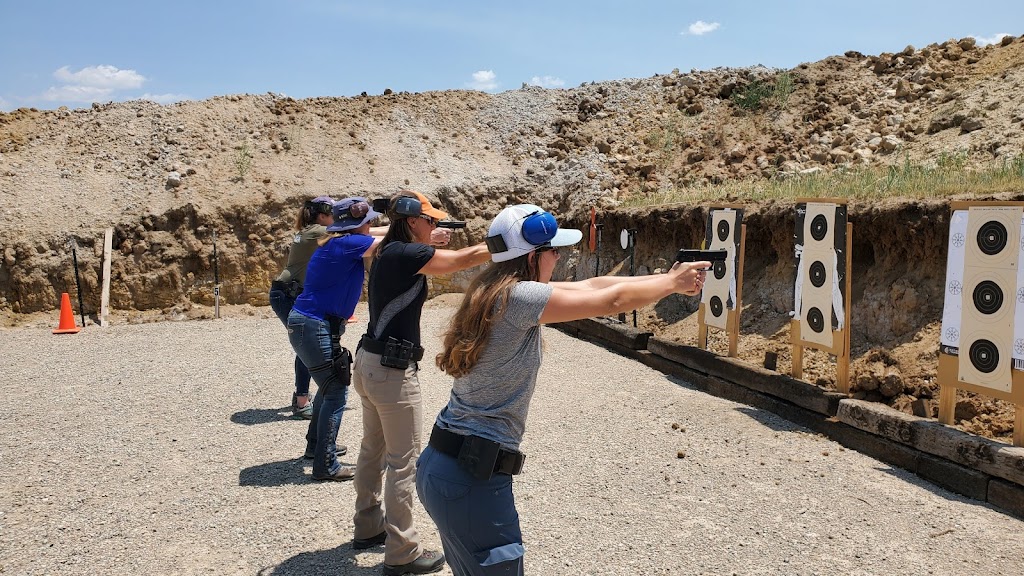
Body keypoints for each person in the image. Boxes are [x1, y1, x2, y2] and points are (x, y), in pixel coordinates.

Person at [417, 204, 709, 575]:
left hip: (443, 466)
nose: (559, 256)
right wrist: (673, 285)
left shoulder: (494, 289)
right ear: (533, 256)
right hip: (473, 478)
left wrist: (666, 278)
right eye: (554, 250)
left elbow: (595, 286)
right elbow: (611, 301)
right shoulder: (521, 298)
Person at [350, 191, 491, 576]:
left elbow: (427, 253)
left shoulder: (390, 250)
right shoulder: (407, 254)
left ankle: (367, 526)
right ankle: (402, 552)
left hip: (369, 363)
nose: (434, 226)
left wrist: (431, 239)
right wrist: (504, 243)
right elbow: (461, 261)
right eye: (430, 221)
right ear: (412, 221)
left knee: (372, 449)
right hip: (392, 372)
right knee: (403, 463)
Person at [286, 196, 389, 481]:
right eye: (369, 221)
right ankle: (326, 464)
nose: (373, 225)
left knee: (328, 387)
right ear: (360, 225)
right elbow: (392, 243)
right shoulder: (349, 244)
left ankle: (316, 448)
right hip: (315, 325)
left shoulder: (339, 241)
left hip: (309, 324)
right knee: (335, 391)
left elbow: (383, 235)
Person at [269, 195, 334, 419]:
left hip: (287, 292)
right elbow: (355, 236)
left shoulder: (309, 230)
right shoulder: (317, 231)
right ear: (324, 215)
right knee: (306, 345)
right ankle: (301, 401)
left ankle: (303, 397)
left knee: (305, 344)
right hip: (288, 294)